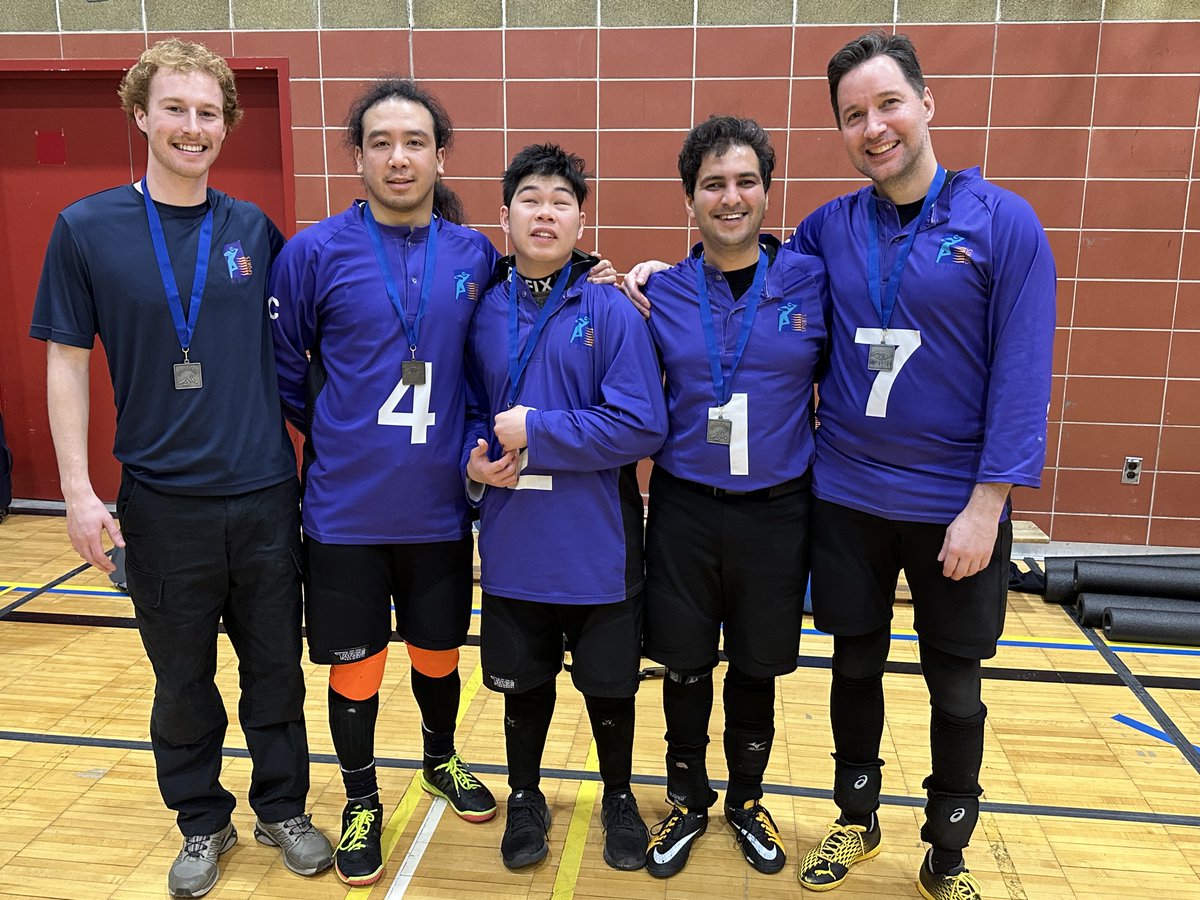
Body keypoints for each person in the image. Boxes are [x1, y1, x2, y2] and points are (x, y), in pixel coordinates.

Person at [628, 31, 1055, 900]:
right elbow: (746, 273)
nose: (874, 126)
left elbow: (1022, 374)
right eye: (854, 115)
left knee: (955, 686)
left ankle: (947, 853)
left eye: (887, 104)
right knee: (853, 668)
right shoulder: (827, 231)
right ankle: (854, 825)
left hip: (954, 508)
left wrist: (989, 505)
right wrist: (651, 275)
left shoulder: (1002, 224)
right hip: (847, 496)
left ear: (926, 103)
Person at [30, 38, 333, 898]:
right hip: (162, 507)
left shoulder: (253, 231)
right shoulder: (86, 229)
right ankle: (201, 820)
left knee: (275, 670)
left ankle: (283, 807)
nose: (192, 128)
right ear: (141, 114)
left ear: (226, 125)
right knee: (183, 683)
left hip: (267, 497)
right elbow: (64, 360)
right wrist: (78, 494)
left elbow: (329, 323)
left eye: (208, 113)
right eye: (176, 109)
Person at [269, 79, 499, 887]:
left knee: (438, 653)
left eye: (413, 143)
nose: (398, 158)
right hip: (344, 510)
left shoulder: (475, 254)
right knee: (356, 666)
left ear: (440, 155)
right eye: (379, 142)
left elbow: (488, 370)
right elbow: (286, 374)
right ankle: (361, 798)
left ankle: (440, 758)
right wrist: (342, 435)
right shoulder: (311, 254)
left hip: (440, 508)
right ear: (358, 155)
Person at [633, 117, 830, 879]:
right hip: (684, 507)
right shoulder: (662, 291)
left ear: (767, 189)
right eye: (713, 183)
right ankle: (686, 796)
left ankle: (747, 798)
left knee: (756, 666)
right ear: (691, 197)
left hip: (779, 510)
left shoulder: (811, 281)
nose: (731, 196)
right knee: (684, 662)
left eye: (746, 180)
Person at [463, 144, 667, 872]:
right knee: (524, 689)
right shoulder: (482, 308)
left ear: (582, 218)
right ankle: (524, 794)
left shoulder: (611, 308)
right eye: (530, 198)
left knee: (609, 689)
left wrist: (539, 432)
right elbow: (462, 408)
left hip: (598, 550)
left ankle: (617, 794)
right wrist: (472, 454)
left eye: (560, 200)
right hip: (515, 545)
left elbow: (643, 424)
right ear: (505, 214)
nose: (544, 211)